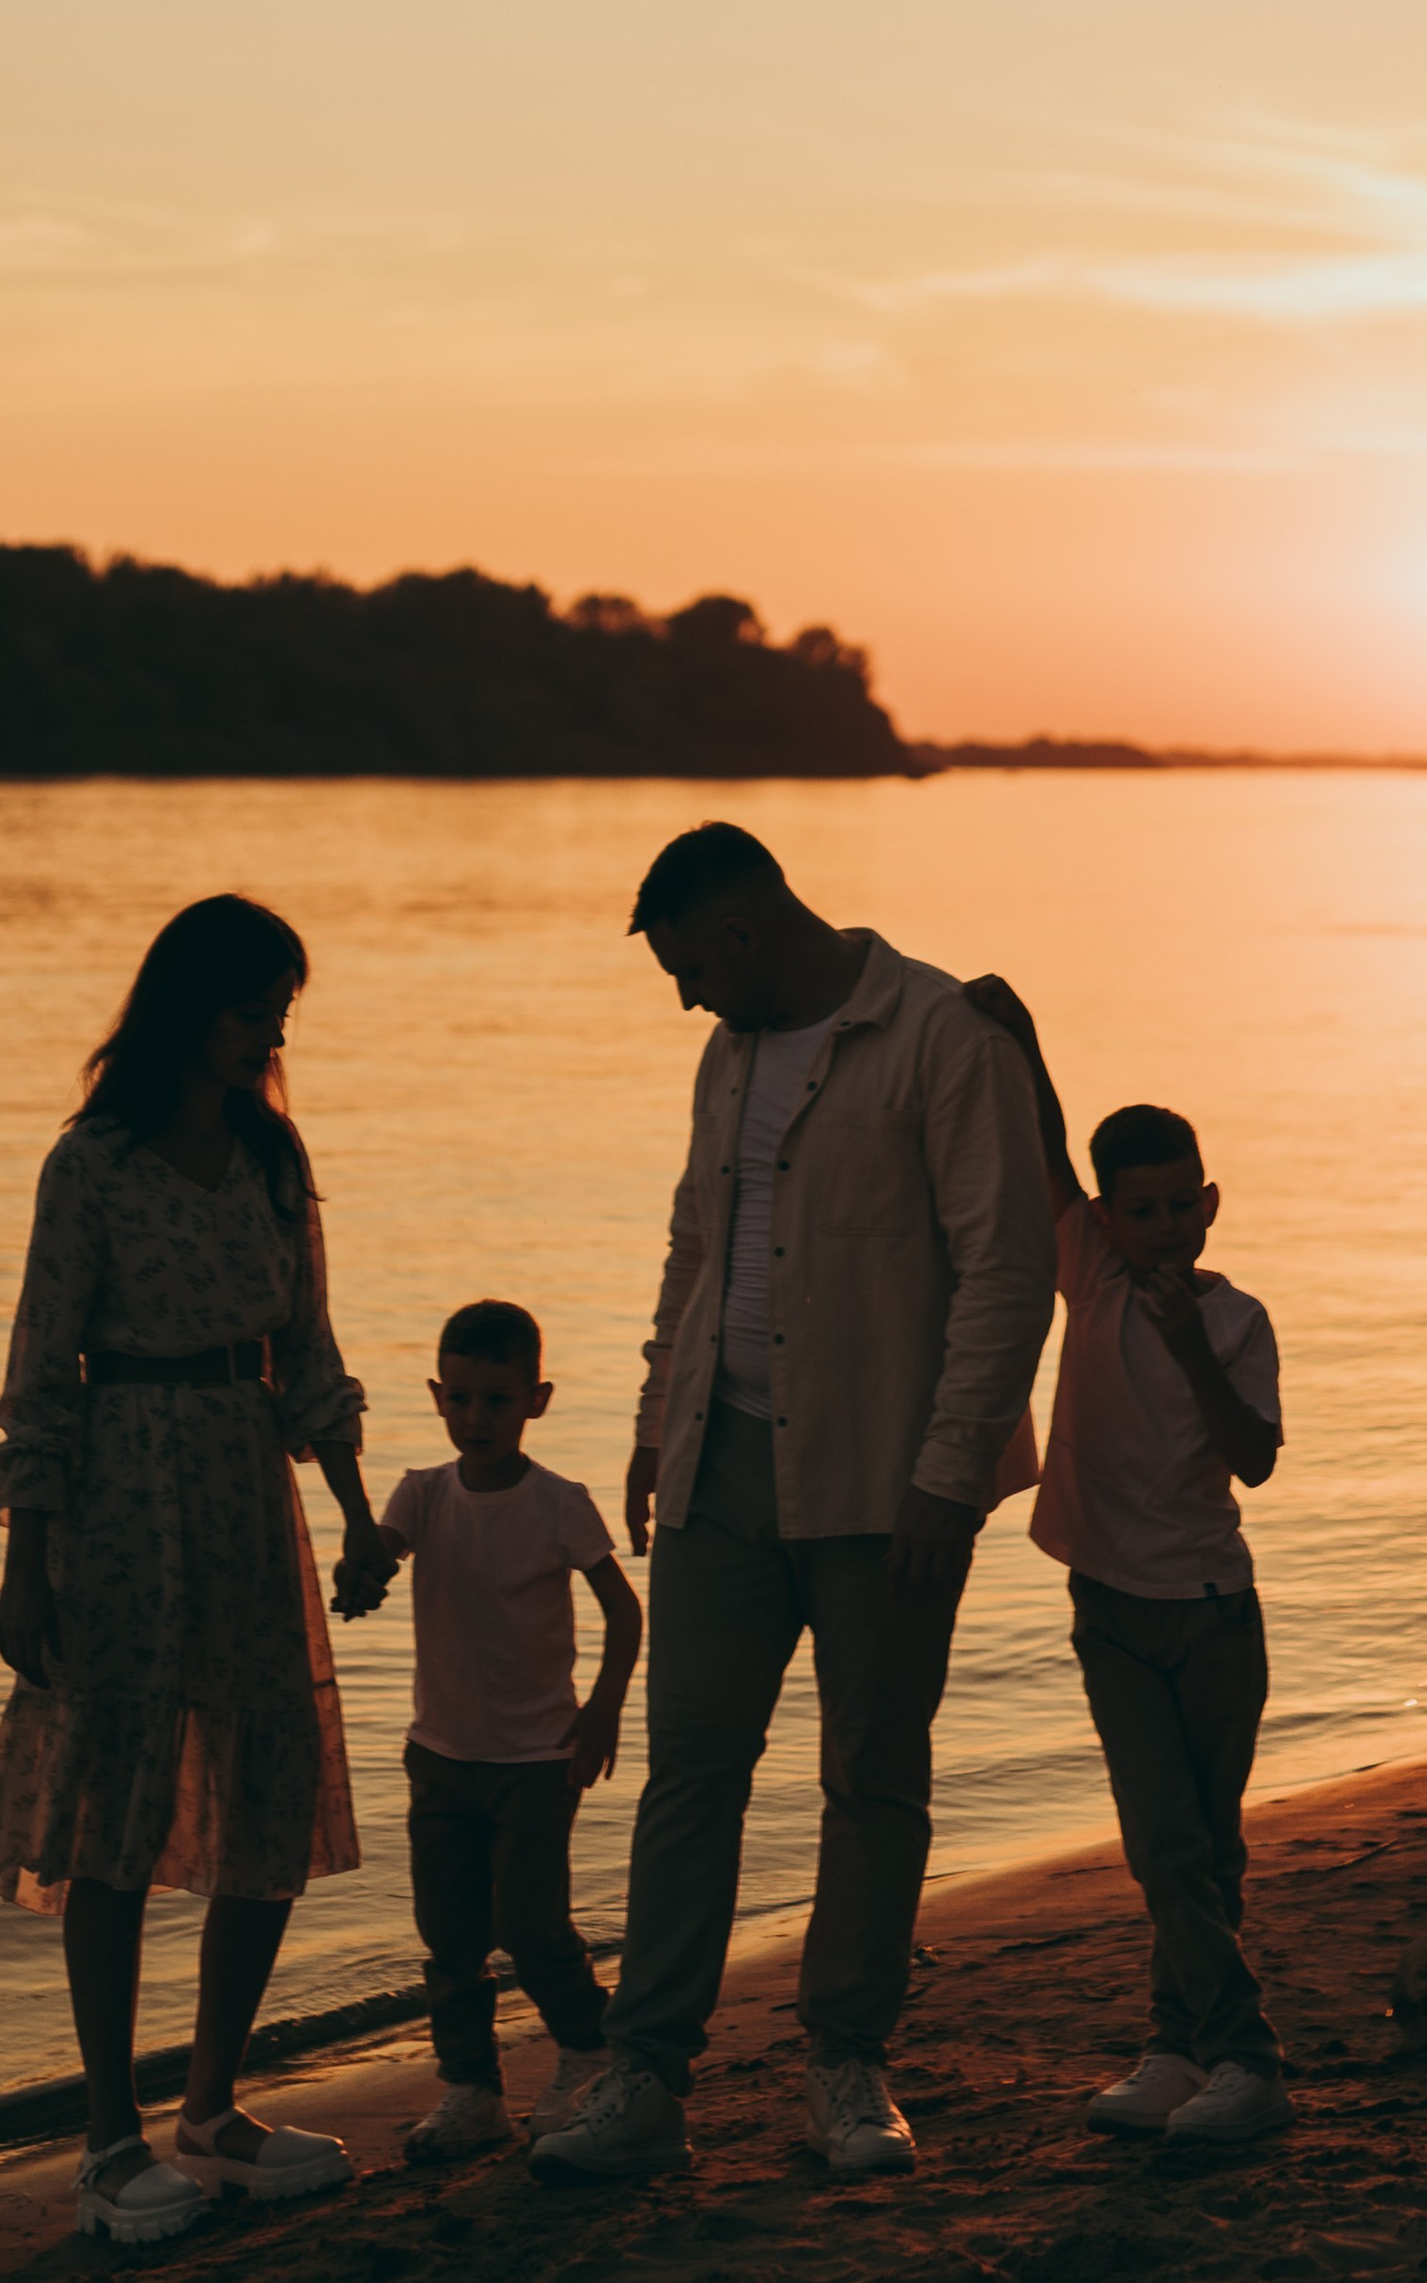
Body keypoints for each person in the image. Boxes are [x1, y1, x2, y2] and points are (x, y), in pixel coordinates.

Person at [532, 823, 1056, 2186]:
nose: (686, 998)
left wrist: (954, 1471)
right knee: (690, 1775)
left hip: (891, 1482)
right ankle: (646, 2078)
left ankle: (846, 2064)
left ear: (749, 932)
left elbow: (1007, 1270)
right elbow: (693, 1248)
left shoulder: (945, 1036)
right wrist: (659, 1426)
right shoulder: (728, 1055)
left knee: (873, 1779)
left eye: (693, 965)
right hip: (721, 1469)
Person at [0, 894, 398, 2247]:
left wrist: (358, 1518)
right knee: (119, 1805)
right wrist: (27, 1561)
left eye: (284, 1001)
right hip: (124, 1490)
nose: (274, 1025)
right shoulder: (90, 1164)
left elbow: (311, 1357)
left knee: (267, 1790)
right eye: (257, 999)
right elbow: (41, 1370)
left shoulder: (273, 1159)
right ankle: (109, 2139)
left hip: (245, 1490)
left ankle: (212, 2107)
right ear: (191, 1006)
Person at [967, 976, 1292, 2147]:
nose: (1157, 1229)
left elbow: (1252, 1456)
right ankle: (1221, 2054)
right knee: (1163, 1844)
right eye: (1135, 1211)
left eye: (1175, 1209)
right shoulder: (1089, 1277)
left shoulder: (1235, 1316)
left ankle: (1198, 2048)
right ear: (1107, 1220)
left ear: (1207, 1206)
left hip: (1213, 1616)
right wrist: (1023, 1037)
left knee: (1205, 1849)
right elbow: (1047, 1154)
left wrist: (1189, 1341)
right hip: (1111, 1608)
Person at [354, 1299, 642, 2163]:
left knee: (532, 1923)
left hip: (535, 1758)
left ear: (536, 1401)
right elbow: (381, 1552)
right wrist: (357, 1564)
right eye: (464, 1399)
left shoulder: (560, 1504)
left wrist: (603, 1708)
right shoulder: (423, 1494)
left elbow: (624, 1614)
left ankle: (588, 2051)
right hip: (440, 1755)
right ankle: (471, 2090)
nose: (478, 1418)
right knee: (449, 1936)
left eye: (499, 1401)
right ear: (439, 1397)